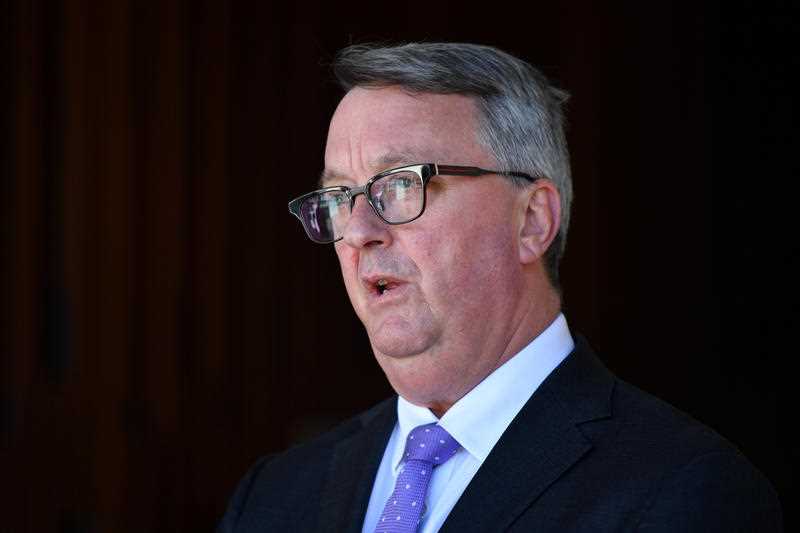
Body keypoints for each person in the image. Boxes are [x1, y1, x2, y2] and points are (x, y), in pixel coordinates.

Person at [217, 42, 782, 532]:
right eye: (340, 197)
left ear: (532, 221)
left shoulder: (686, 491)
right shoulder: (276, 494)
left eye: (399, 184)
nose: (359, 232)